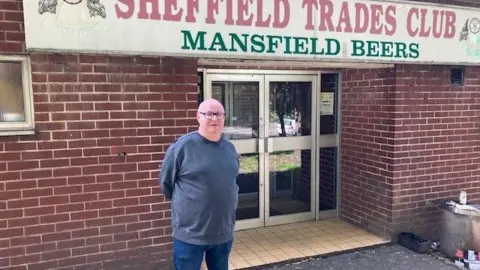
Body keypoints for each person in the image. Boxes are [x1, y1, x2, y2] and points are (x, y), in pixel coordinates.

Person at [159, 99, 239, 270]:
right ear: (198, 117)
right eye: (208, 114)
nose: (214, 119)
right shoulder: (182, 147)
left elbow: (230, 182)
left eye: (219, 114)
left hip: (223, 233)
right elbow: (166, 184)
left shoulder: (230, 149)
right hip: (190, 236)